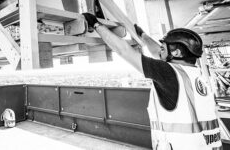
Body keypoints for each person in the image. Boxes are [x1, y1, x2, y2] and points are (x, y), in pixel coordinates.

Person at [82, 13, 222, 150]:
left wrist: (96, 24)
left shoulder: (169, 72)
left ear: (177, 53)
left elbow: (124, 50)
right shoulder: (195, 74)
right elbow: (159, 52)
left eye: (163, 48)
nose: (160, 51)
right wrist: (143, 35)